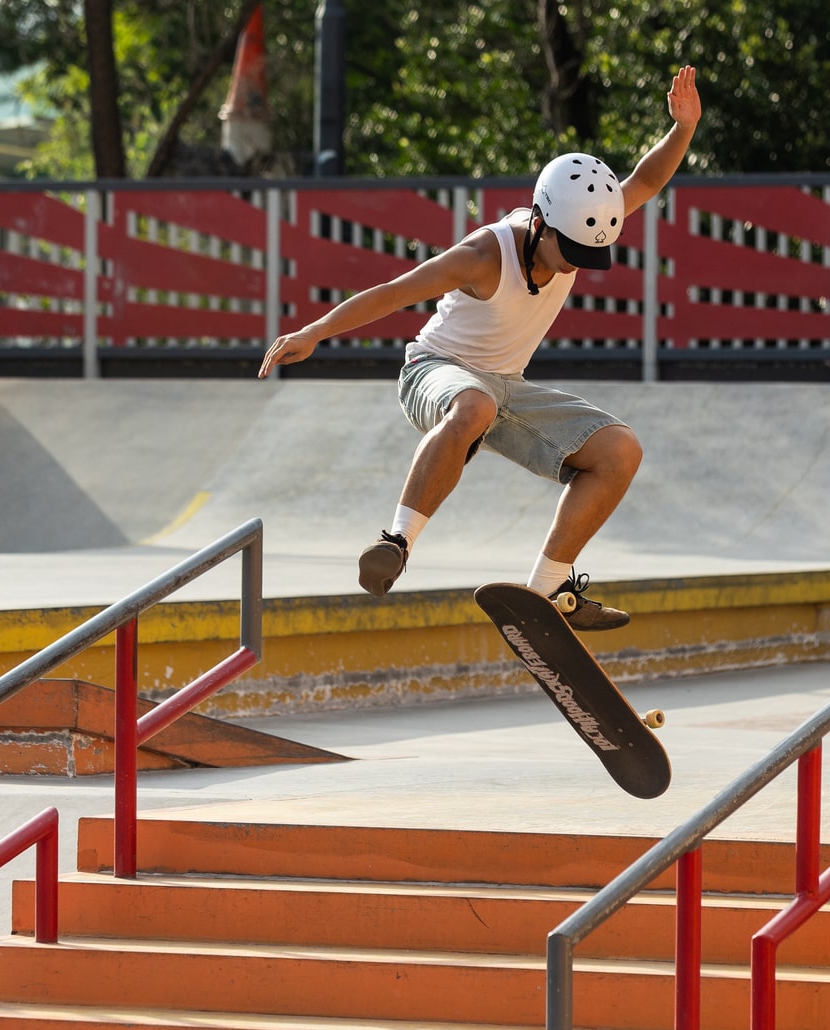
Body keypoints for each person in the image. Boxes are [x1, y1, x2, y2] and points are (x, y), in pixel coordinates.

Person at [260, 67, 700, 630]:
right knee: (475, 405)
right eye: (567, 252)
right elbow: (393, 293)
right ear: (539, 222)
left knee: (620, 451)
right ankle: (396, 541)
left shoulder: (584, 219)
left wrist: (683, 128)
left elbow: (644, 180)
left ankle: (549, 590)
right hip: (433, 370)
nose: (573, 266)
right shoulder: (482, 257)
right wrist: (313, 333)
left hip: (506, 386)